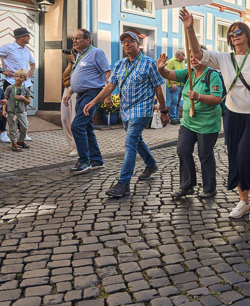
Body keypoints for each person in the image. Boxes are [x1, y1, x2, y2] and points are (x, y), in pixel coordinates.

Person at [181, 11, 250, 221]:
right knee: (235, 157)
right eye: (232, 33)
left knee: (246, 156)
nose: (235, 35)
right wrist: (190, 28)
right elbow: (197, 54)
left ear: (247, 35)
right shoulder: (225, 59)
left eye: (239, 32)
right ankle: (243, 201)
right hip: (233, 116)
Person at [83, 31, 169, 197]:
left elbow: (158, 88)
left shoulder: (149, 63)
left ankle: (124, 183)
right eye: (124, 42)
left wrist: (164, 111)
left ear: (138, 44)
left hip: (142, 110)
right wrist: (94, 101)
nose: (127, 44)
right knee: (137, 141)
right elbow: (110, 86)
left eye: (131, 41)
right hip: (126, 110)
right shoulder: (119, 64)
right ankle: (151, 164)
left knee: (130, 144)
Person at [157, 46, 223, 200]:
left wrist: (199, 96)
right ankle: (187, 186)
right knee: (183, 150)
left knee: (205, 155)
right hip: (188, 122)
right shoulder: (188, 74)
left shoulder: (212, 75)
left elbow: (217, 99)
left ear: (205, 57)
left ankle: (209, 188)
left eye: (196, 56)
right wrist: (161, 69)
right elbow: (169, 74)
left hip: (207, 124)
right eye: (191, 56)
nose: (193, 59)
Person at [64, 29, 112, 174]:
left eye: (78, 38)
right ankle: (96, 160)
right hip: (80, 95)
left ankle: (84, 161)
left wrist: (108, 95)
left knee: (77, 126)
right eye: (74, 39)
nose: (75, 41)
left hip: (92, 94)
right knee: (86, 127)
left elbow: (108, 72)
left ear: (88, 40)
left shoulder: (96, 53)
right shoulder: (79, 55)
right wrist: (70, 91)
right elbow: (80, 76)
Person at [0, 27, 35, 143]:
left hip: (25, 84)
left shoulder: (26, 50)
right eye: (28, 36)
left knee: (22, 108)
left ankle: (21, 132)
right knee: (6, 107)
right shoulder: (8, 48)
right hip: (10, 83)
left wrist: (31, 70)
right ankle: (2, 132)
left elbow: (32, 63)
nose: (29, 38)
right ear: (21, 37)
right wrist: (1, 70)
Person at [5, 69, 32, 151]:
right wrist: (4, 109)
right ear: (14, 77)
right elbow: (5, 99)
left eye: (21, 77)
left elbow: (28, 101)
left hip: (21, 111)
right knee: (13, 128)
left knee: (24, 127)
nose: (18, 78)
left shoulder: (25, 89)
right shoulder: (10, 88)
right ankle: (14, 143)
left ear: (25, 79)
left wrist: (22, 98)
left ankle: (21, 141)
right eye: (17, 76)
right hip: (12, 111)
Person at [61, 45, 79, 157]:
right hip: (67, 88)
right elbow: (64, 75)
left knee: (74, 119)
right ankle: (72, 145)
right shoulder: (72, 60)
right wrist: (71, 62)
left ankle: (78, 147)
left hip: (78, 89)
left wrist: (74, 62)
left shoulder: (86, 57)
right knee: (64, 118)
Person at [165, 50, 186, 124]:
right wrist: (172, 84)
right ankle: (173, 118)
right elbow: (167, 73)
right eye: (183, 54)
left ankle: (177, 117)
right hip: (174, 85)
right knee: (174, 101)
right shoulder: (171, 61)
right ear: (179, 54)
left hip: (181, 85)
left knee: (178, 102)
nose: (184, 56)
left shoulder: (182, 63)